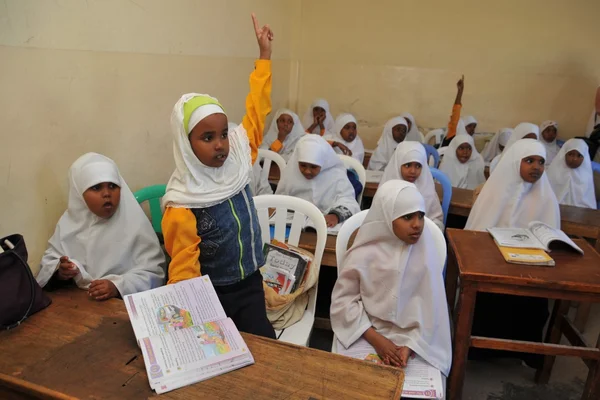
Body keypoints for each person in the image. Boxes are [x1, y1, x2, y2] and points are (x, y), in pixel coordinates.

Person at [160, 13, 275, 338]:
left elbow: (256, 111)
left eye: (223, 133)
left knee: (266, 347)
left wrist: (264, 57)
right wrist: (186, 313)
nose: (221, 144)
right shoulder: (182, 204)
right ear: (186, 143)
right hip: (212, 293)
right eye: (207, 138)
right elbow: (183, 267)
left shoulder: (238, 154)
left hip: (251, 282)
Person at [330, 180, 451, 378]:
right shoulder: (363, 254)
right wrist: (378, 341)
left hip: (416, 338)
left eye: (421, 215)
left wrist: (410, 347)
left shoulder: (424, 255)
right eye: (407, 217)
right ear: (387, 216)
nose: (417, 224)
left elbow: (433, 311)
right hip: (364, 330)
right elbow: (343, 303)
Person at [465, 140, 559, 367]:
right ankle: (479, 351)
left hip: (531, 269)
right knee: (488, 301)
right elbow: (475, 237)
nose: (536, 167)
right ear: (515, 162)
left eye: (540, 162)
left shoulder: (546, 197)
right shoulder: (493, 193)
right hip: (492, 266)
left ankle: (525, 351)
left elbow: (551, 237)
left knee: (532, 303)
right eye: (529, 161)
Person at [36, 153, 165, 300]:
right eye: (96, 187)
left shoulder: (134, 223)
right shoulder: (69, 223)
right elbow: (48, 263)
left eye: (112, 186)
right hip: (81, 304)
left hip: (125, 305)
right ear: (79, 193)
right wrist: (61, 271)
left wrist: (118, 286)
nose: (107, 194)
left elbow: (155, 273)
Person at [275, 135, 360, 228]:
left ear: (324, 163)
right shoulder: (291, 173)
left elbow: (349, 202)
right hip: (293, 227)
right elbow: (279, 200)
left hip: (327, 227)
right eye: (303, 165)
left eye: (314, 167)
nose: (307, 171)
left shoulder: (336, 176)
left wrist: (335, 216)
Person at [380, 142, 444, 230]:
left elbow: (437, 221)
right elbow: (378, 220)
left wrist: (426, 229)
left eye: (418, 166)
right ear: (398, 165)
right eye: (407, 165)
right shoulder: (386, 190)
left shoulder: (427, 190)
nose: (413, 171)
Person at [547, 139, 596, 209]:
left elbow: (588, 202)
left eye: (579, 155)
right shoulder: (553, 173)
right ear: (564, 154)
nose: (575, 159)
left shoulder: (586, 177)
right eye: (570, 154)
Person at [440, 76, 465, 147]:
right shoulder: (452, 134)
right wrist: (460, 92)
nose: (472, 130)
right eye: (468, 127)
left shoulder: (468, 144)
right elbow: (456, 112)